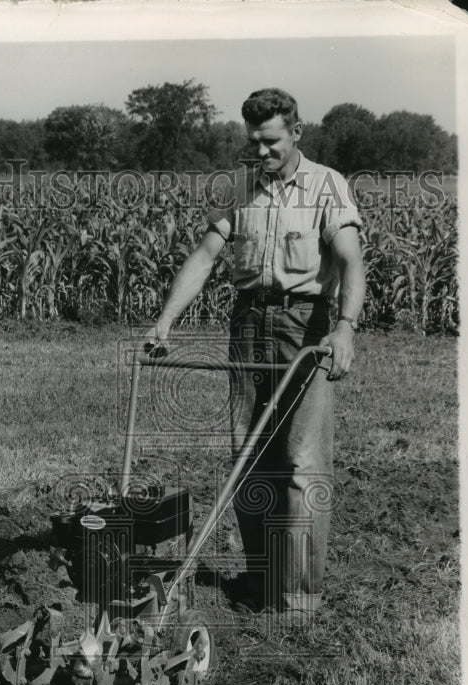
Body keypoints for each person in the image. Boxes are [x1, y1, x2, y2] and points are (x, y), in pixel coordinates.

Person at [143, 87, 366, 622]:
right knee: (249, 455)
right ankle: (261, 579)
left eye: (271, 142)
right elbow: (205, 255)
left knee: (301, 460)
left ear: (296, 132)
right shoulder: (240, 187)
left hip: (304, 324)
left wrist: (344, 330)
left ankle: (298, 600)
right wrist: (165, 321)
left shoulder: (326, 185)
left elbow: (351, 261)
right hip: (248, 322)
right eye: (254, 143)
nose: (262, 153)